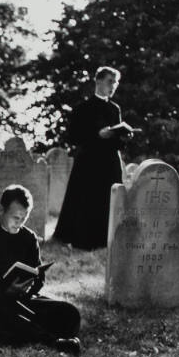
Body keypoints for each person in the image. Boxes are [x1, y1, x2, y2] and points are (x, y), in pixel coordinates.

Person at [0, 185, 82, 355]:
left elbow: (38, 277)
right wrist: (5, 288)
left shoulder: (29, 238)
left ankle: (31, 328)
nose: (19, 223)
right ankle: (52, 340)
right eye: (15, 217)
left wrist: (29, 287)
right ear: (1, 210)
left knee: (69, 313)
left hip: (23, 298)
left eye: (24, 218)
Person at [54, 66, 136, 250]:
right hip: (89, 162)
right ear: (98, 81)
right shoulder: (83, 108)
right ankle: (83, 241)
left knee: (109, 201)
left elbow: (117, 142)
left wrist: (124, 137)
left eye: (115, 83)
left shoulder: (115, 109)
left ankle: (106, 241)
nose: (113, 86)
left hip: (109, 163)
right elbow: (73, 137)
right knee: (86, 202)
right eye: (110, 81)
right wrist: (97, 134)